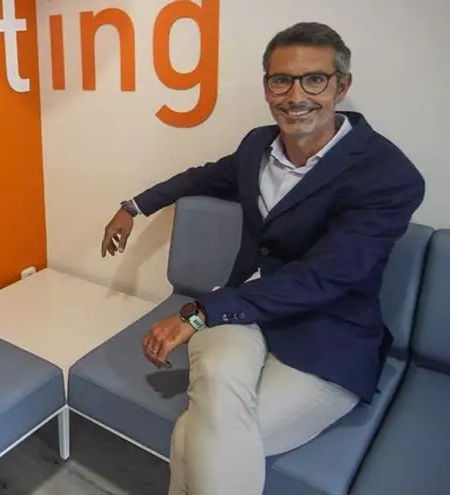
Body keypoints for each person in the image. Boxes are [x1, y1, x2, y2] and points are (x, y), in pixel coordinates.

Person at [100, 22, 424, 495]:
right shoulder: (257, 146)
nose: (296, 96)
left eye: (314, 79)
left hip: (325, 331)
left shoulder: (388, 174)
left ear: (341, 86)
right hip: (242, 313)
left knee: (192, 435)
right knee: (212, 405)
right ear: (267, 86)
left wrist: (198, 314)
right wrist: (133, 207)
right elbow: (202, 178)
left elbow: (325, 277)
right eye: (281, 80)